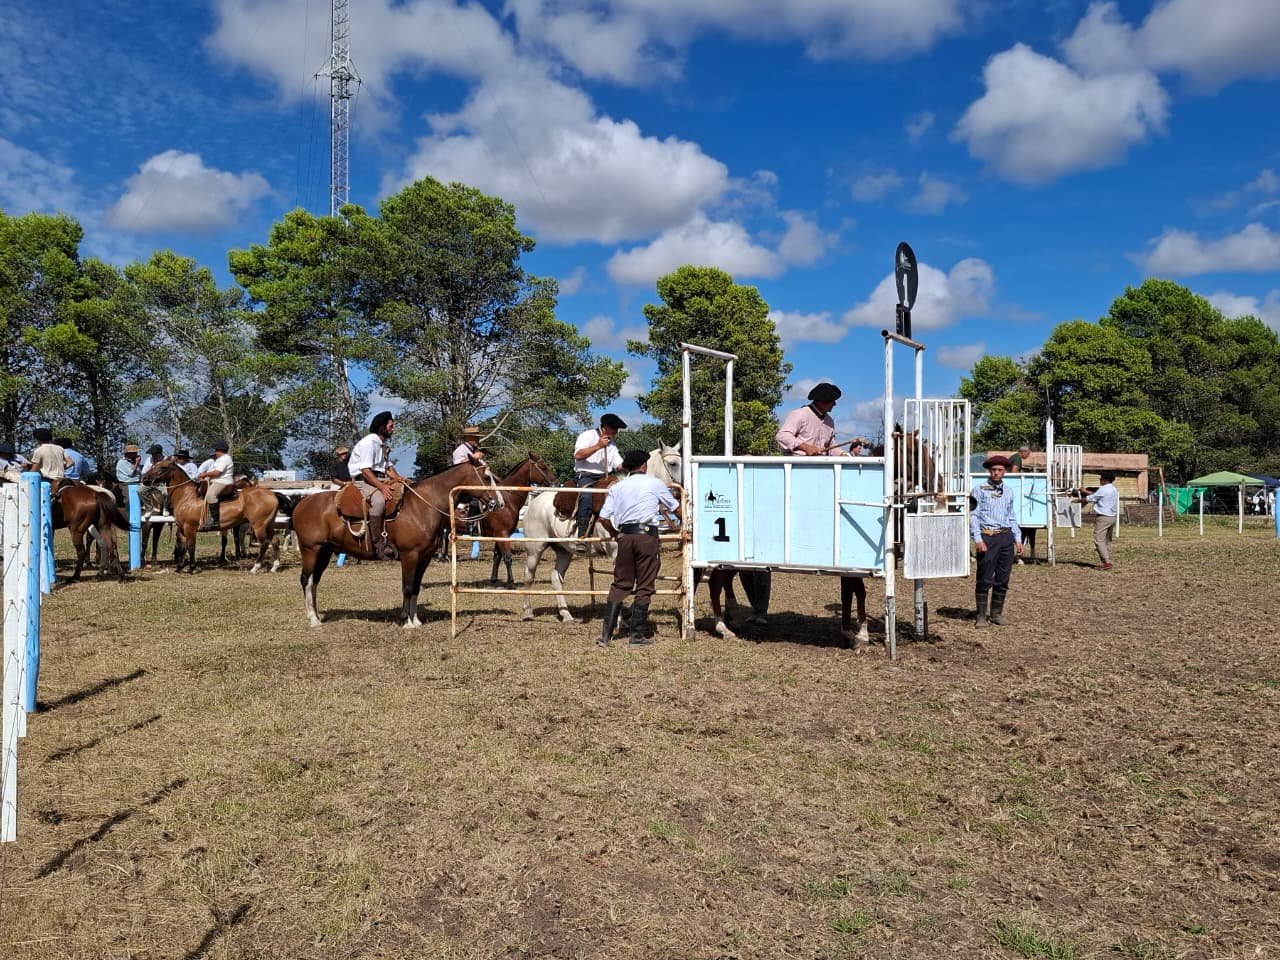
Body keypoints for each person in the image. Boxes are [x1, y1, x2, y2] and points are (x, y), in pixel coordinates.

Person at [595, 448, 680, 648]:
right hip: (647, 538)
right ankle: (636, 635)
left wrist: (616, 534)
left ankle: (606, 636)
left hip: (625, 537)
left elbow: (603, 518)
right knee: (645, 586)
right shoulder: (655, 484)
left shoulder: (618, 487)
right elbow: (676, 508)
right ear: (644, 465)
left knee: (620, 584)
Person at [969, 454, 1023, 628]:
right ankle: (981, 616)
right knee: (984, 577)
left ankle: (996, 614)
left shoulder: (1008, 491)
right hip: (987, 537)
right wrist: (977, 538)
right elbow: (973, 516)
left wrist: (1018, 538)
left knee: (1003, 577)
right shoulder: (979, 490)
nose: (996, 473)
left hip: (1005, 537)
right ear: (989, 471)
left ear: (1005, 471)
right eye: (993, 470)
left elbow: (1011, 516)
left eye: (1000, 470)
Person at [348, 411, 406, 560]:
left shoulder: (381, 444)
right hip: (363, 480)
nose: (393, 429)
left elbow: (388, 468)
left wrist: (400, 479)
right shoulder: (369, 443)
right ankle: (378, 544)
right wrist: (381, 487)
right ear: (382, 427)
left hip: (378, 478)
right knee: (379, 501)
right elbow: (366, 471)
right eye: (391, 426)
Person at [573, 413, 626, 537]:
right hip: (586, 476)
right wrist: (598, 446)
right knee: (586, 497)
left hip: (604, 478)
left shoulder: (612, 444)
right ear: (605, 427)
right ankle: (583, 533)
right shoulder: (587, 435)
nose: (616, 432)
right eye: (614, 429)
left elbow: (618, 464)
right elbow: (578, 455)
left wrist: (629, 464)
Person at [776, 383, 851, 456]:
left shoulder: (829, 421)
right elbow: (782, 436)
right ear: (821, 401)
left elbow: (831, 447)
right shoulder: (799, 414)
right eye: (832, 401)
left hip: (821, 465)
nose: (835, 404)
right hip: (797, 465)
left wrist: (842, 454)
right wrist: (805, 447)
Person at [1083, 471, 1119, 570]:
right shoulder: (1113, 489)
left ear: (1105, 479)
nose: (1100, 480)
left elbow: (1091, 498)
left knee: (1098, 539)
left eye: (1101, 478)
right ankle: (1108, 559)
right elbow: (1097, 495)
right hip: (1112, 517)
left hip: (1103, 517)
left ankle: (1106, 562)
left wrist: (1080, 497)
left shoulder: (1103, 489)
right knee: (1106, 540)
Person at [196, 440, 234, 531]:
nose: (215, 452)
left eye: (216, 450)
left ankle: (215, 520)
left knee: (210, 495)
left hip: (223, 481)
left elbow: (217, 472)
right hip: (217, 480)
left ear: (219, 450)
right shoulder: (218, 460)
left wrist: (205, 474)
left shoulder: (226, 458)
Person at [29, 428, 67, 492]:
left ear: (37, 439)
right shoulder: (60, 448)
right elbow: (70, 462)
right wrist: (63, 468)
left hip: (47, 480)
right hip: (62, 480)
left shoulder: (39, 450)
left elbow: (34, 470)